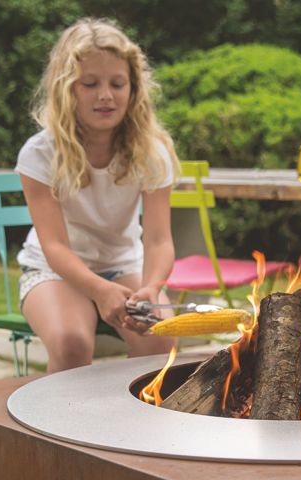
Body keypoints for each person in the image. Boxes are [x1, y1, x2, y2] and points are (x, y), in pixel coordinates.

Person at [15, 18, 179, 372]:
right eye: (90, 84)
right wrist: (98, 291)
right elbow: (54, 246)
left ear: (133, 89)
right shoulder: (41, 153)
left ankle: (137, 424)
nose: (106, 95)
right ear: (66, 88)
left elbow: (158, 239)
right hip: (53, 271)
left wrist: (151, 288)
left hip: (124, 266)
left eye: (117, 83)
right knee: (71, 342)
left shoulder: (151, 153)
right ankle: (52, 426)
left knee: (161, 336)